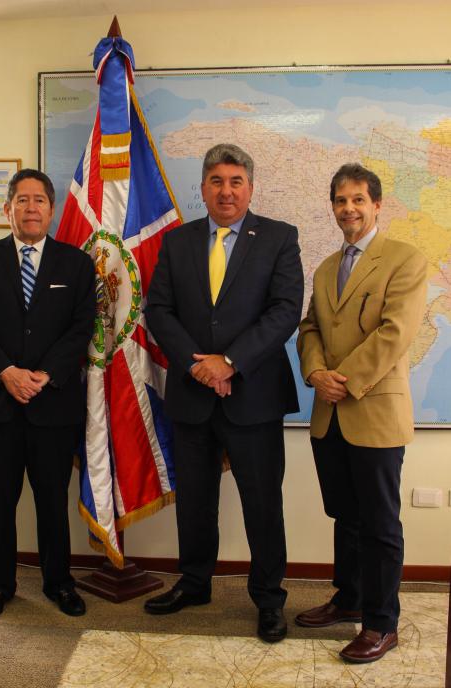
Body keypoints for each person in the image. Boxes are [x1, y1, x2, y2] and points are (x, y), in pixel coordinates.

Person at [144, 143, 304, 642]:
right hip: (193, 396)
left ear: (250, 188)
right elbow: (159, 311)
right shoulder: (178, 242)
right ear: (203, 188)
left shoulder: (278, 238)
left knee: (262, 503)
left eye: (236, 181)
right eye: (216, 181)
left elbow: (284, 309)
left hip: (252, 395)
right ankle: (194, 583)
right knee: (195, 501)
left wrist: (229, 361)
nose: (226, 190)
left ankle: (268, 599)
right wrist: (199, 365)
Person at [296, 163, 427, 663]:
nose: (348, 208)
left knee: (378, 522)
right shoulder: (327, 267)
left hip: (372, 412)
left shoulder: (405, 260)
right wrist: (314, 374)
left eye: (358, 200)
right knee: (344, 516)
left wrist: (340, 379)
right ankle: (347, 598)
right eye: (340, 200)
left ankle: (381, 622)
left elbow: (395, 334)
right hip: (328, 413)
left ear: (377, 205)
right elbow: (310, 329)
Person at [0, 168, 95, 620]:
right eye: (22, 200)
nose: (31, 207)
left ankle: (59, 582)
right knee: (0, 501)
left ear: (52, 210)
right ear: (8, 209)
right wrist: (6, 372)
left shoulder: (75, 263)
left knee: (52, 500)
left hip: (52, 402)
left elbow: (82, 327)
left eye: (39, 200)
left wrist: (43, 374)